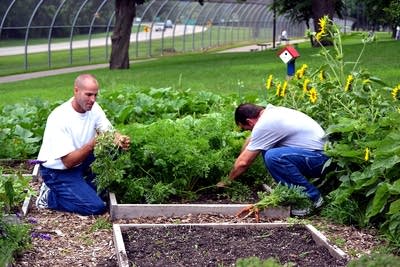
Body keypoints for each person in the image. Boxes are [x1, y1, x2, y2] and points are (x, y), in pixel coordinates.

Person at [35, 74, 130, 216]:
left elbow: (108, 131)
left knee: (114, 150)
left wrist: (120, 139)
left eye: (95, 95)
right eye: (88, 95)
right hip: (58, 171)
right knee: (95, 207)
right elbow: (68, 162)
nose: (92, 100)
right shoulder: (59, 118)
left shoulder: (93, 108)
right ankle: (49, 197)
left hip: (80, 162)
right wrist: (92, 144)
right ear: (76, 91)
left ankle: (82, 189)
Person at [217, 103, 328, 216]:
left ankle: (312, 199)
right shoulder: (271, 114)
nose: (250, 132)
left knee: (273, 156)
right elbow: (252, 140)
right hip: (313, 156)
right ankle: (297, 193)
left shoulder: (265, 124)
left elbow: (243, 163)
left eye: (247, 129)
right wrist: (240, 159)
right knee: (268, 151)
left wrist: (226, 181)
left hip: (320, 159)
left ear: (250, 121)